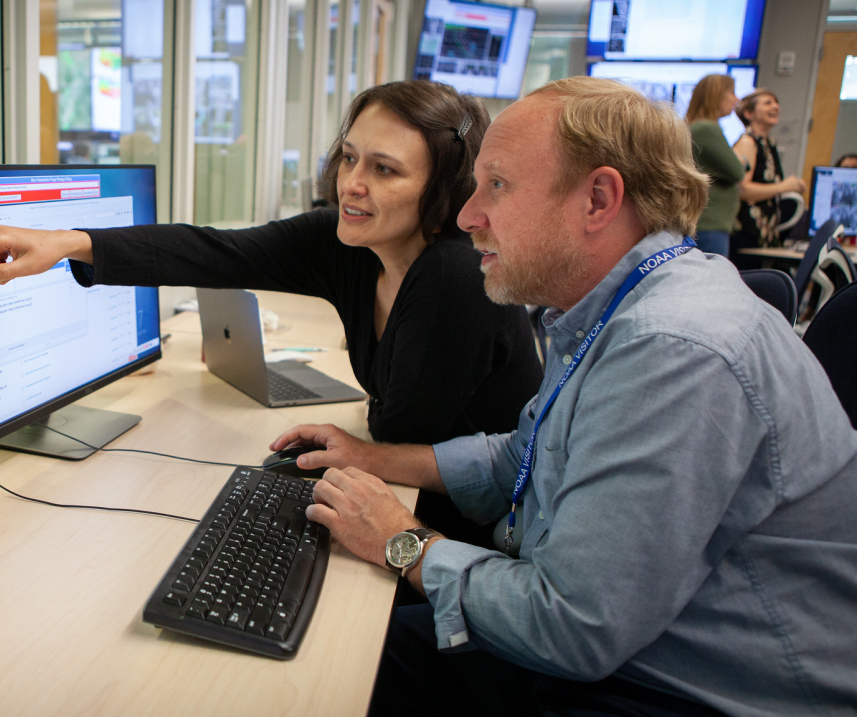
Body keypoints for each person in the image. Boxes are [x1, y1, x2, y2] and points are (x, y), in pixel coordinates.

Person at [266, 76, 857, 716]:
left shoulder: (675, 350)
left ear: (599, 199)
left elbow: (573, 627)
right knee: (327, 644)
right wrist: (371, 459)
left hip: (674, 688)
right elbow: (521, 457)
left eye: (496, 185)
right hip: (627, 644)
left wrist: (400, 539)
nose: (467, 217)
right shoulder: (613, 306)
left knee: (318, 682)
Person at [0, 81, 543, 492]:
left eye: (383, 169)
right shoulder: (355, 246)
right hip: (405, 491)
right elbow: (220, 252)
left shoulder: (455, 275)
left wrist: (363, 442)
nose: (352, 183)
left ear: (443, 189)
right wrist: (73, 242)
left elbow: (401, 434)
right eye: (350, 158)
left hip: (464, 520)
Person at [729, 89, 807, 269]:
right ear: (749, 114)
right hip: (747, 233)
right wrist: (783, 186)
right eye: (767, 103)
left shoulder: (768, 144)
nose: (775, 106)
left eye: (776, 102)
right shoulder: (748, 142)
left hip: (765, 232)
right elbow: (743, 190)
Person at [685, 74, 744, 257]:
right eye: (731, 93)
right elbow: (737, 171)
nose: (736, 99)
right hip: (709, 226)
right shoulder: (706, 129)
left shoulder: (694, 126)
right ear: (715, 95)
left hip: (702, 224)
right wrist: (743, 159)